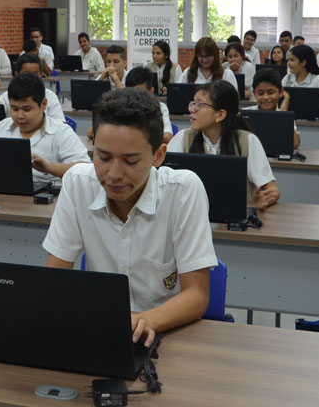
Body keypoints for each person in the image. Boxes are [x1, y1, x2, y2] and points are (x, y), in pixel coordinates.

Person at [42, 89, 217, 346]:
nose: (113, 174)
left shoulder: (183, 190)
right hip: (98, 332)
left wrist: (145, 320)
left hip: (169, 335)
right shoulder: (78, 182)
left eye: (130, 161)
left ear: (158, 156)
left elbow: (197, 295)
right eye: (103, 157)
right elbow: (54, 281)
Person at [171, 81, 280, 212]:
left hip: (234, 219)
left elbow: (272, 189)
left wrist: (265, 198)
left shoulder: (247, 141)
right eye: (193, 103)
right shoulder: (183, 138)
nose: (191, 109)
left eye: (199, 104)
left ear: (220, 114)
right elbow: (165, 184)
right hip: (190, 216)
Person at [0, 73, 88, 188]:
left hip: (49, 200)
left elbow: (85, 170)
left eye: (27, 109)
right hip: (6, 192)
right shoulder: (2, 127)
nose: (20, 116)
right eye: (14, 109)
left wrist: (48, 168)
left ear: (43, 104)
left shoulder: (60, 132)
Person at [0, 53, 66, 123]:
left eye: (35, 74)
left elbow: (61, 125)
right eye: (26, 73)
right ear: (17, 74)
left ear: (41, 75)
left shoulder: (50, 97)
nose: (31, 77)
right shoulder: (5, 97)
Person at [245, 68, 300, 148]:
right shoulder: (245, 114)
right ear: (254, 93)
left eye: (270, 92)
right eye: (260, 93)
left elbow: (295, 143)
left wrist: (284, 116)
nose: (265, 97)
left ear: (281, 92)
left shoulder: (285, 115)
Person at [283, 44, 319, 119]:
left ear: (303, 62)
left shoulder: (318, 80)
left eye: (292, 60)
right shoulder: (287, 78)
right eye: (288, 60)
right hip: (290, 123)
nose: (288, 63)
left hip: (313, 126)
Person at [123, 66, 173, 143]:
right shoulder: (121, 107)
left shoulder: (160, 107)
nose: (135, 97)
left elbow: (167, 137)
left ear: (151, 91)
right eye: (130, 93)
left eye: (140, 93)